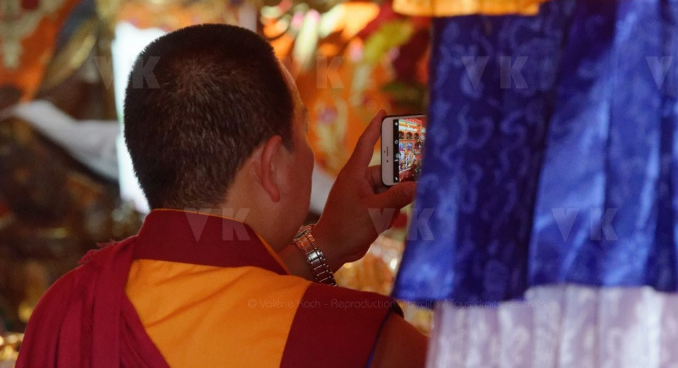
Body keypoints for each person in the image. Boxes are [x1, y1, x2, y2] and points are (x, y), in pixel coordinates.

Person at [17, 24, 427, 367]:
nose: (308, 154)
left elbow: (212, 298)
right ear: (270, 166)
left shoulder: (65, 309)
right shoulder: (359, 340)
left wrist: (327, 243)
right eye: (301, 132)